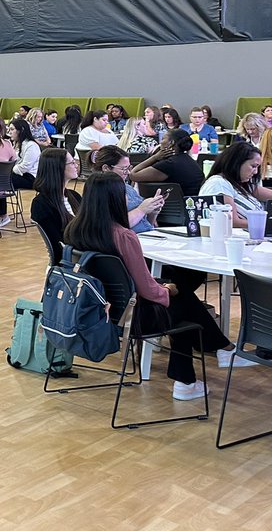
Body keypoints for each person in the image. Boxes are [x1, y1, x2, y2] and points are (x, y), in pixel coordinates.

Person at [64, 172, 249, 402]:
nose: (127, 198)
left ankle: (205, 364)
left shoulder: (74, 230)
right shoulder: (123, 236)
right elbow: (147, 290)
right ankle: (212, 357)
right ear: (114, 199)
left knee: (182, 301)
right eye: (123, 194)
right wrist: (168, 290)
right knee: (183, 304)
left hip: (99, 310)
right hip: (133, 315)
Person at [93, 145, 164, 234]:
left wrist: (153, 211)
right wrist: (141, 210)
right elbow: (114, 227)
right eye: (124, 168)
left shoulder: (128, 188)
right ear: (106, 168)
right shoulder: (101, 191)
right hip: (128, 239)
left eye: (129, 168)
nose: (128, 172)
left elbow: (146, 224)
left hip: (146, 235)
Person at [200, 141, 272, 229]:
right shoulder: (219, 183)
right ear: (237, 163)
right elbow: (233, 222)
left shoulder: (239, 183)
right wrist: (266, 224)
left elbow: (265, 193)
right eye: (253, 166)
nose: (256, 172)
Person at [30, 148, 81, 252]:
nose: (76, 166)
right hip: (72, 255)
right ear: (58, 168)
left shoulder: (74, 196)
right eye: (72, 163)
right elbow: (57, 244)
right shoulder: (41, 204)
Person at [130, 129, 203, 196]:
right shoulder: (189, 160)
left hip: (178, 204)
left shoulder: (170, 164)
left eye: (163, 139)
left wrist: (155, 157)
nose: (160, 142)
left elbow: (133, 175)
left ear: (171, 143)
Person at [7, 118, 41, 190]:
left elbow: (25, 166)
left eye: (12, 129)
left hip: (30, 178)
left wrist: (9, 169)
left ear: (21, 130)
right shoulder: (15, 144)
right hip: (18, 174)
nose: (9, 132)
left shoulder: (31, 145)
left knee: (3, 179)